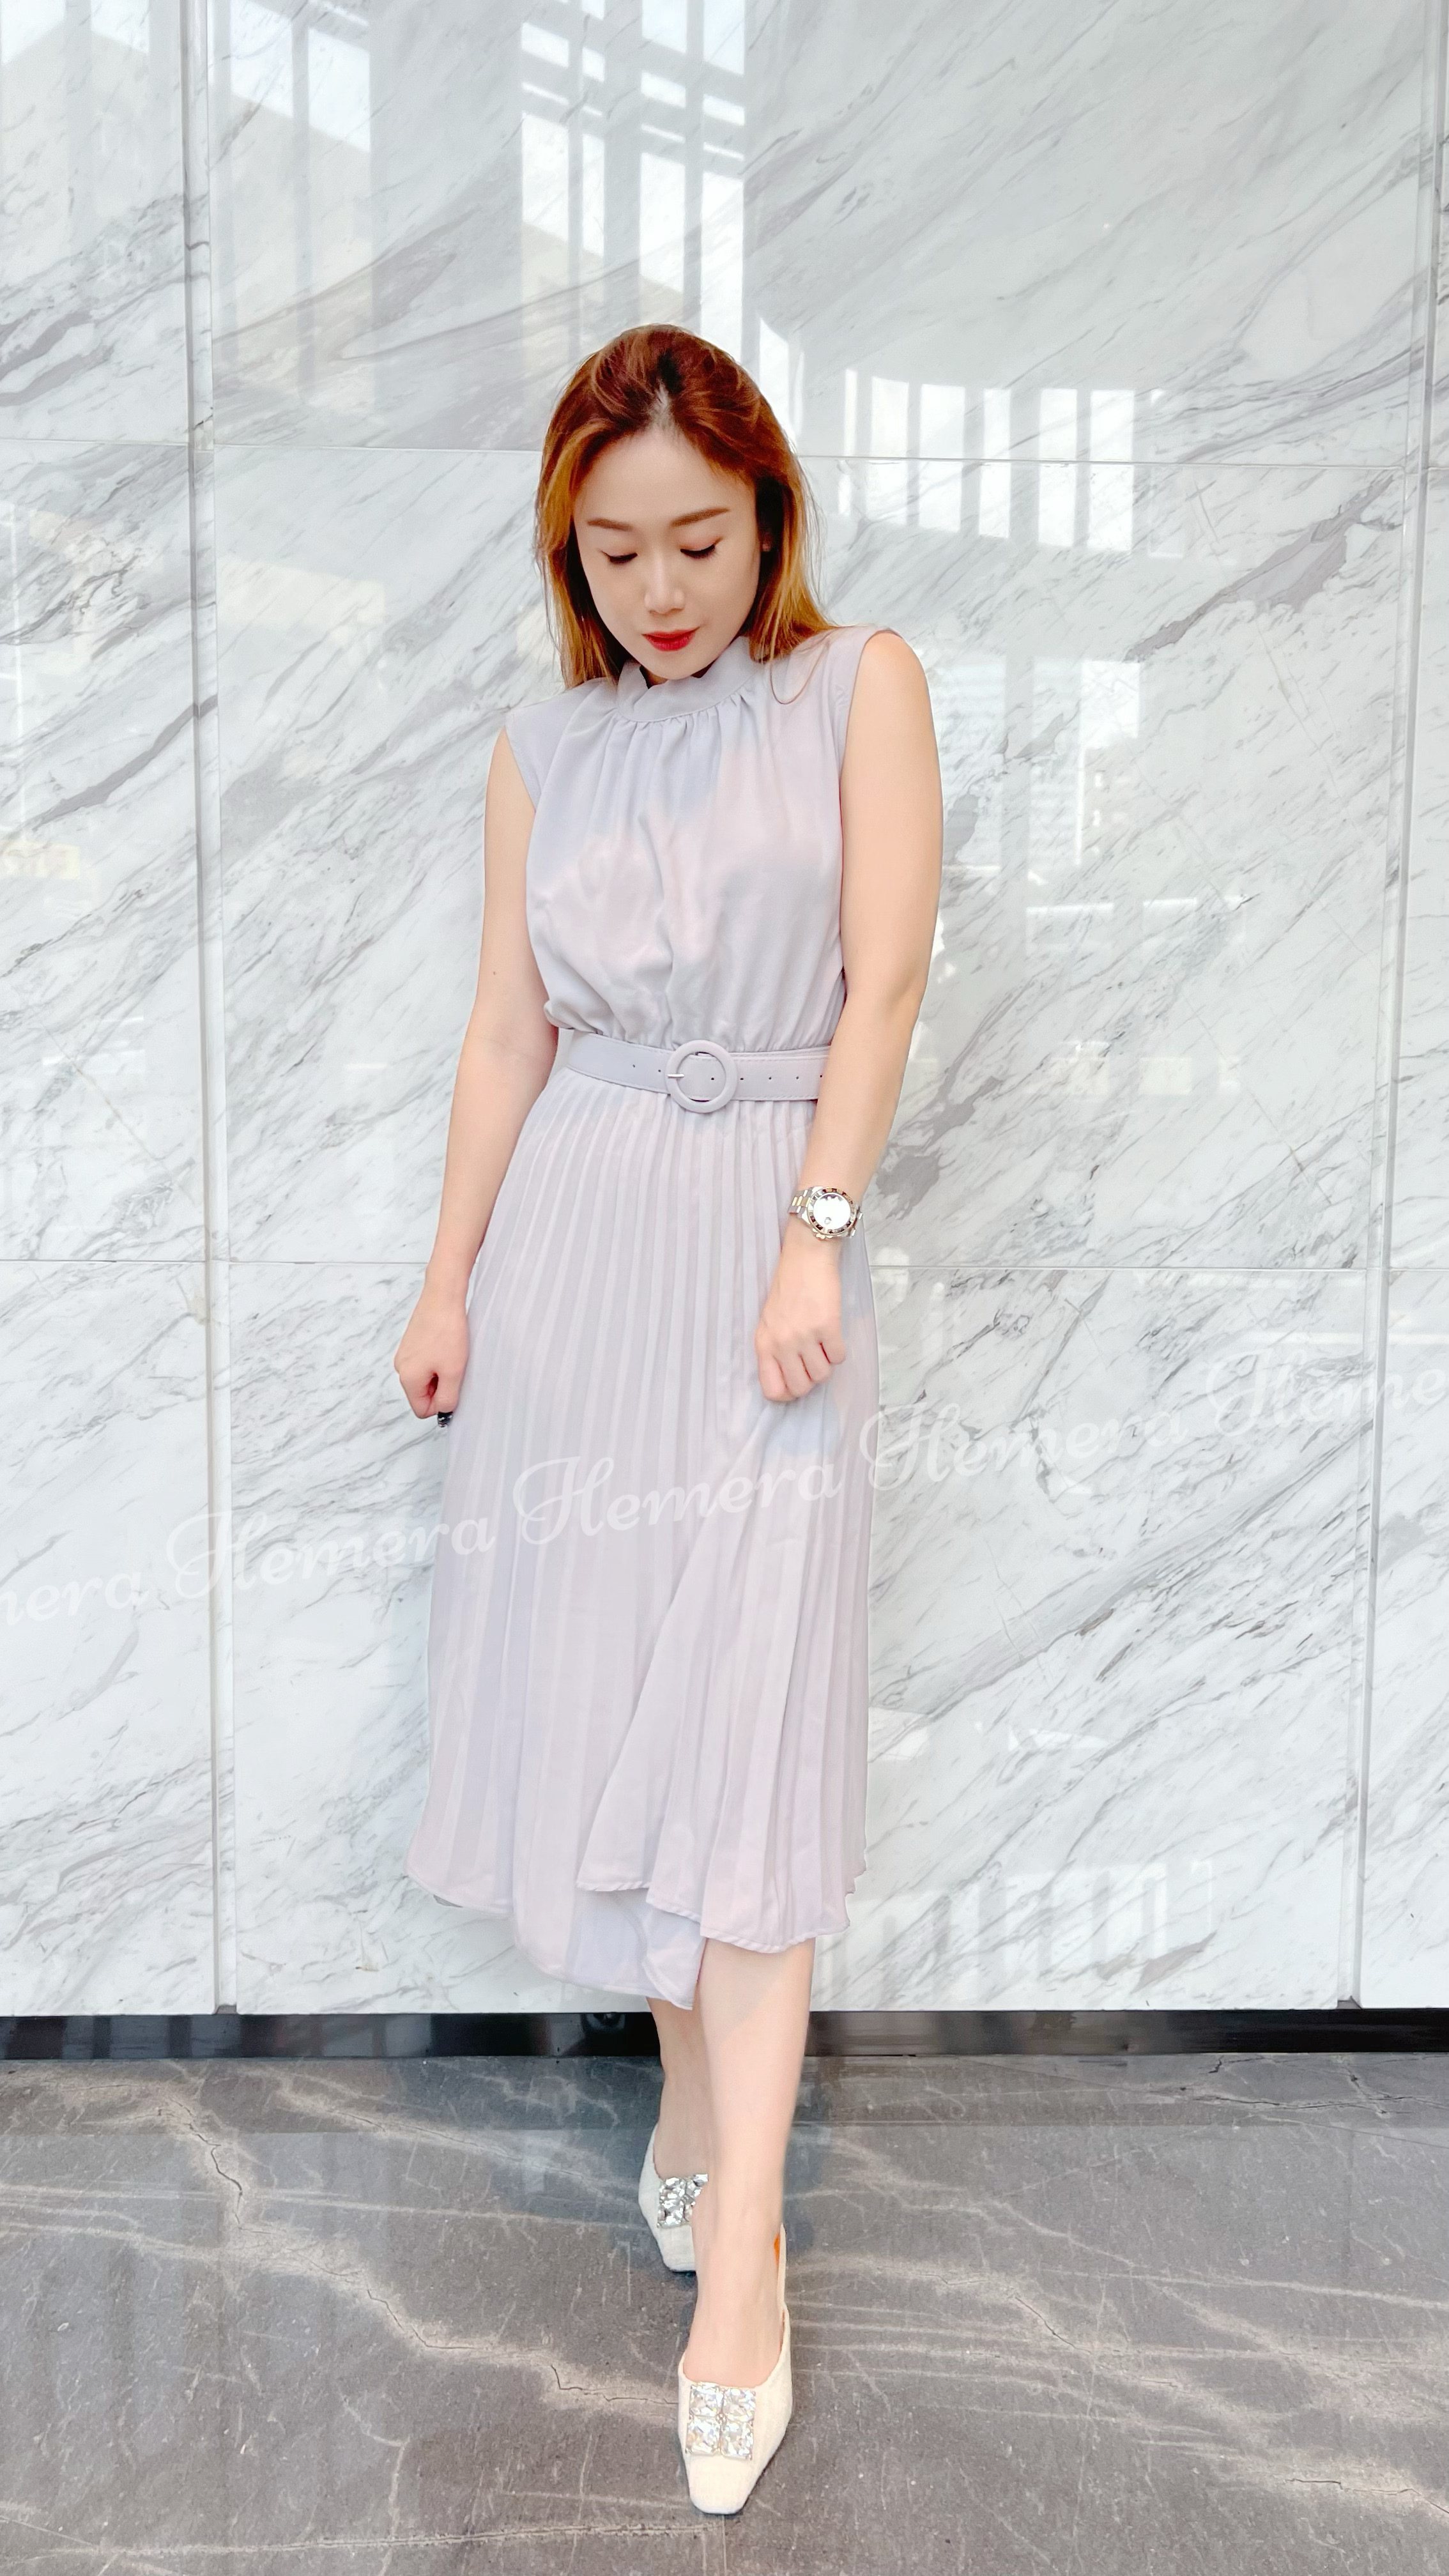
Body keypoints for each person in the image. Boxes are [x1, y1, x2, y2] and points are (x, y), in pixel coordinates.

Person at [393, 323, 941, 2513]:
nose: (661, 589)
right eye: (613, 552)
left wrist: (816, 1231)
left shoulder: (855, 689)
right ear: (569, 554)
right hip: (577, 1248)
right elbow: (501, 1036)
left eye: (697, 539)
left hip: (762, 1244)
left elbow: (884, 980)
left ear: (767, 512)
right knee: (623, 1699)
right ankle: (695, 2117)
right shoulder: (541, 747)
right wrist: (448, 1278)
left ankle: (747, 2269)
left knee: (749, 1732)